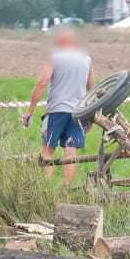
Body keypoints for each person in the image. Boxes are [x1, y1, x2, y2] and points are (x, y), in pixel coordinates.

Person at [22, 29, 94, 182]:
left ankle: (47, 189)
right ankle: (66, 190)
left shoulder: (54, 57)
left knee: (48, 150)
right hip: (79, 113)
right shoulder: (86, 59)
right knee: (71, 152)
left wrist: (30, 111)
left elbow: (43, 82)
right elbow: (92, 90)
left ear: (60, 42)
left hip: (56, 111)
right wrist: (91, 116)